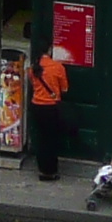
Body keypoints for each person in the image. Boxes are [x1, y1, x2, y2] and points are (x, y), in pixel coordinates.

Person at [28, 46, 72, 182]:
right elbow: (64, 89)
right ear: (49, 51)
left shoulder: (32, 69)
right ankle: (51, 170)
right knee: (51, 139)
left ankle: (42, 169)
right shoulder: (58, 67)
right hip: (51, 107)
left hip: (36, 106)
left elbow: (33, 84)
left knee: (41, 138)